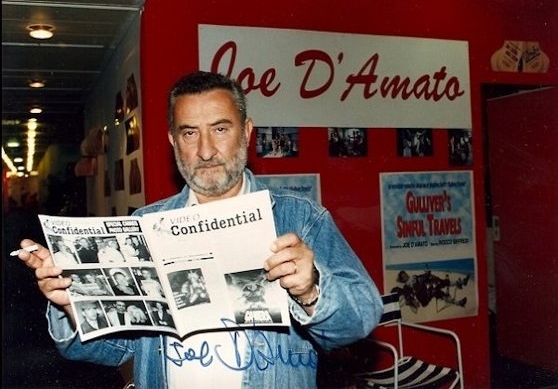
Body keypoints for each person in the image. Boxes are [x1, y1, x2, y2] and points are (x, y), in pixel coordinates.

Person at [16, 71, 383, 389]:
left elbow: (361, 319)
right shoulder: (145, 225)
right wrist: (74, 304)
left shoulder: (299, 218)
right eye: (190, 133)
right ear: (174, 141)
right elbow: (112, 350)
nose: (206, 151)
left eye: (220, 129)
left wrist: (312, 289)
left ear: (247, 132)